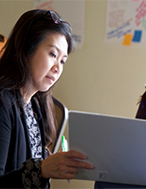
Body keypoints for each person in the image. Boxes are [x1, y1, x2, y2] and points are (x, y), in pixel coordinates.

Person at [0, 9, 93, 188]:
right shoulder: (3, 102)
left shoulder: (35, 105)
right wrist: (42, 169)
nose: (58, 68)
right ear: (26, 49)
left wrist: (46, 168)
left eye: (63, 60)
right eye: (52, 54)